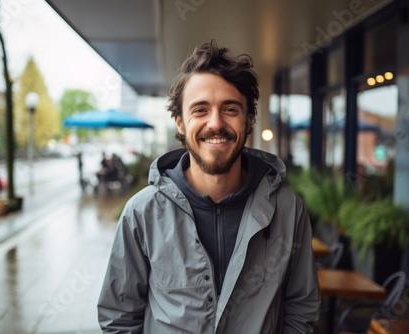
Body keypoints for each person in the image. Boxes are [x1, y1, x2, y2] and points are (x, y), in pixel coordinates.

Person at [97, 40, 320, 333]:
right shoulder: (142, 212)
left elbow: (302, 310)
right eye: (200, 110)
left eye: (230, 109)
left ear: (249, 120)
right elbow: (119, 317)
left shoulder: (288, 210)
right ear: (179, 122)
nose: (215, 123)